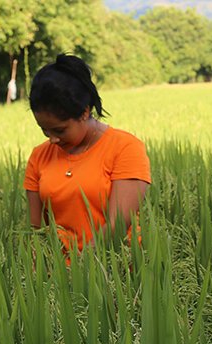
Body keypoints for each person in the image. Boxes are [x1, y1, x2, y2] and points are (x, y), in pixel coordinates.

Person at [24, 54, 150, 254]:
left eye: (60, 130)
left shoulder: (125, 148)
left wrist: (81, 266)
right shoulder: (39, 156)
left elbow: (117, 225)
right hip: (59, 273)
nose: (52, 139)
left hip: (117, 267)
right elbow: (36, 231)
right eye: (44, 130)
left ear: (84, 112)